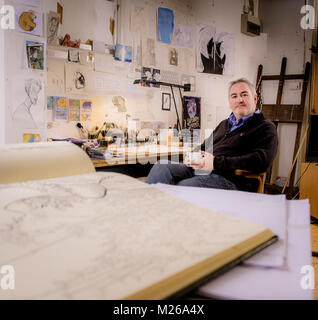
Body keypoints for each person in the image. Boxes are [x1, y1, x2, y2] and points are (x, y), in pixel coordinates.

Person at [146, 78, 278, 192]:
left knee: (182, 187)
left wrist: (216, 163)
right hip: (201, 170)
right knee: (161, 166)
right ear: (230, 102)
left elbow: (261, 160)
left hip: (230, 179)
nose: (239, 100)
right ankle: (145, 214)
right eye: (234, 96)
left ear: (254, 98)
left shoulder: (265, 127)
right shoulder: (224, 124)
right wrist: (191, 156)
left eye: (244, 95)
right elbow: (204, 146)